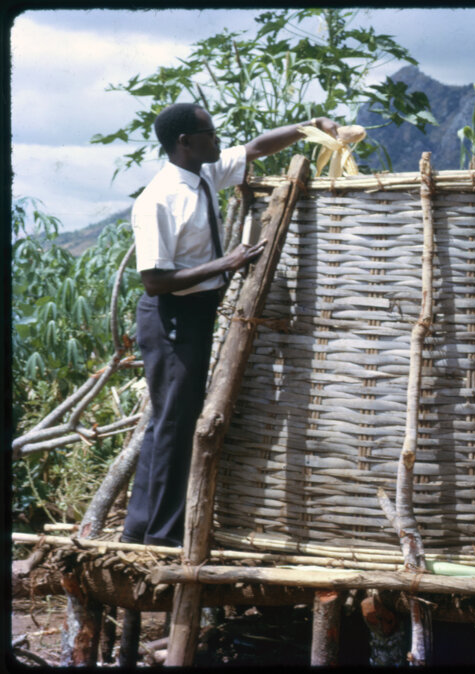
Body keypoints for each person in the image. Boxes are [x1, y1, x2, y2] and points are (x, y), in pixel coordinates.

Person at [121, 103, 338, 547]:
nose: (218, 140)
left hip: (194, 315)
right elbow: (155, 280)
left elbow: (256, 147)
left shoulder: (203, 175)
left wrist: (310, 128)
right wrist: (228, 262)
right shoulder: (158, 199)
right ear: (184, 142)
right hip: (172, 317)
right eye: (210, 133)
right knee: (175, 425)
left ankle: (142, 530)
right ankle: (162, 538)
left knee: (170, 422)